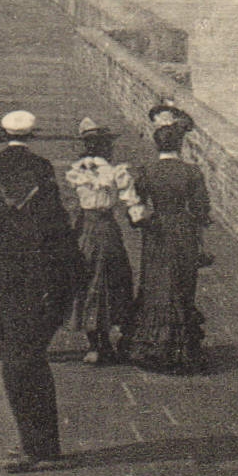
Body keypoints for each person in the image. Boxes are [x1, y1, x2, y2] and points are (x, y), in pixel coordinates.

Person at [0, 110, 79, 472]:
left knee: (20, 365)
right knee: (28, 362)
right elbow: (57, 225)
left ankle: (38, 448)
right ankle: (40, 445)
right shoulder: (43, 172)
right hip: (41, 282)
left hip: (13, 281)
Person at [123, 105, 211, 373]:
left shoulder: (146, 171)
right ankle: (181, 348)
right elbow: (200, 211)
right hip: (183, 231)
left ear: (156, 144)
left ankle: (153, 344)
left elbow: (134, 203)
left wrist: (143, 222)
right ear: (180, 145)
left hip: (157, 231)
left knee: (156, 283)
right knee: (182, 285)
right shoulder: (192, 172)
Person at [64, 118, 144, 364]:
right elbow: (133, 205)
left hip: (84, 230)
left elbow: (71, 202)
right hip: (107, 231)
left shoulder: (78, 170)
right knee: (111, 280)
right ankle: (107, 339)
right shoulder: (115, 172)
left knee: (87, 281)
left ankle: (93, 343)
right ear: (105, 147)